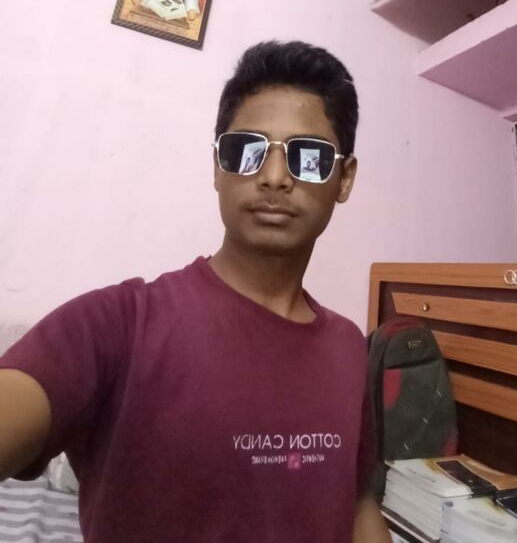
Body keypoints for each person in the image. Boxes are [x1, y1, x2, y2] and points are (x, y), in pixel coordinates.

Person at [0, 40, 391, 543]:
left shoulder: (348, 346)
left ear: (344, 179)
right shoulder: (118, 324)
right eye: (246, 151)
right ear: (217, 169)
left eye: (308, 157)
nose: (274, 177)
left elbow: (356, 502)